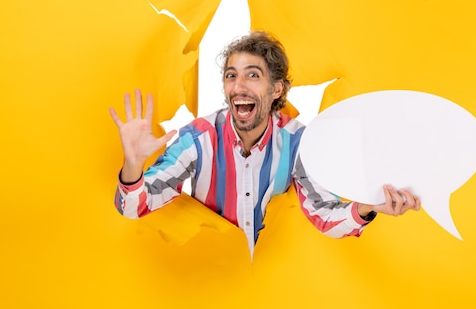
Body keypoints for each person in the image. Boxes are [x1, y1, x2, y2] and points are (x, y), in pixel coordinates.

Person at [110, 31, 420, 254]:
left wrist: (369, 207)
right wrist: (133, 166)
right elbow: (133, 208)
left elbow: (324, 215)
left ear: (276, 89)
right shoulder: (198, 138)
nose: (238, 86)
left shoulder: (299, 142)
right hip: (207, 281)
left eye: (252, 75)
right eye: (231, 76)